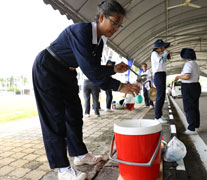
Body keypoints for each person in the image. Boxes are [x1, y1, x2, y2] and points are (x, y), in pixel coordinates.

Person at [32, 0, 140, 180]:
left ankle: (80, 155)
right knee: (54, 119)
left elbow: (93, 68)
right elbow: (91, 71)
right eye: (114, 23)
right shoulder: (82, 31)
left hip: (67, 72)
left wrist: (113, 69)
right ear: (102, 17)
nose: (115, 29)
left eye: (119, 26)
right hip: (47, 68)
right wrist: (120, 86)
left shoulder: (99, 42)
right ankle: (62, 169)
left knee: (74, 114)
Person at [174, 48, 201, 135]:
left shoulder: (188, 64)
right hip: (196, 86)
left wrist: (178, 77)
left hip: (188, 87)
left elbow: (186, 76)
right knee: (195, 107)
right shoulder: (196, 64)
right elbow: (197, 78)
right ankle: (196, 125)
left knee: (189, 107)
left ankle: (191, 128)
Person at [151, 39, 171, 124]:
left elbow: (164, 61)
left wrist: (167, 55)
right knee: (159, 96)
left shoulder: (158, 54)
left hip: (162, 75)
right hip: (158, 75)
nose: (163, 48)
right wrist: (166, 54)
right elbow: (161, 61)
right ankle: (157, 117)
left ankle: (159, 115)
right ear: (158, 48)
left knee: (162, 96)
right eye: (162, 47)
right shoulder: (154, 54)